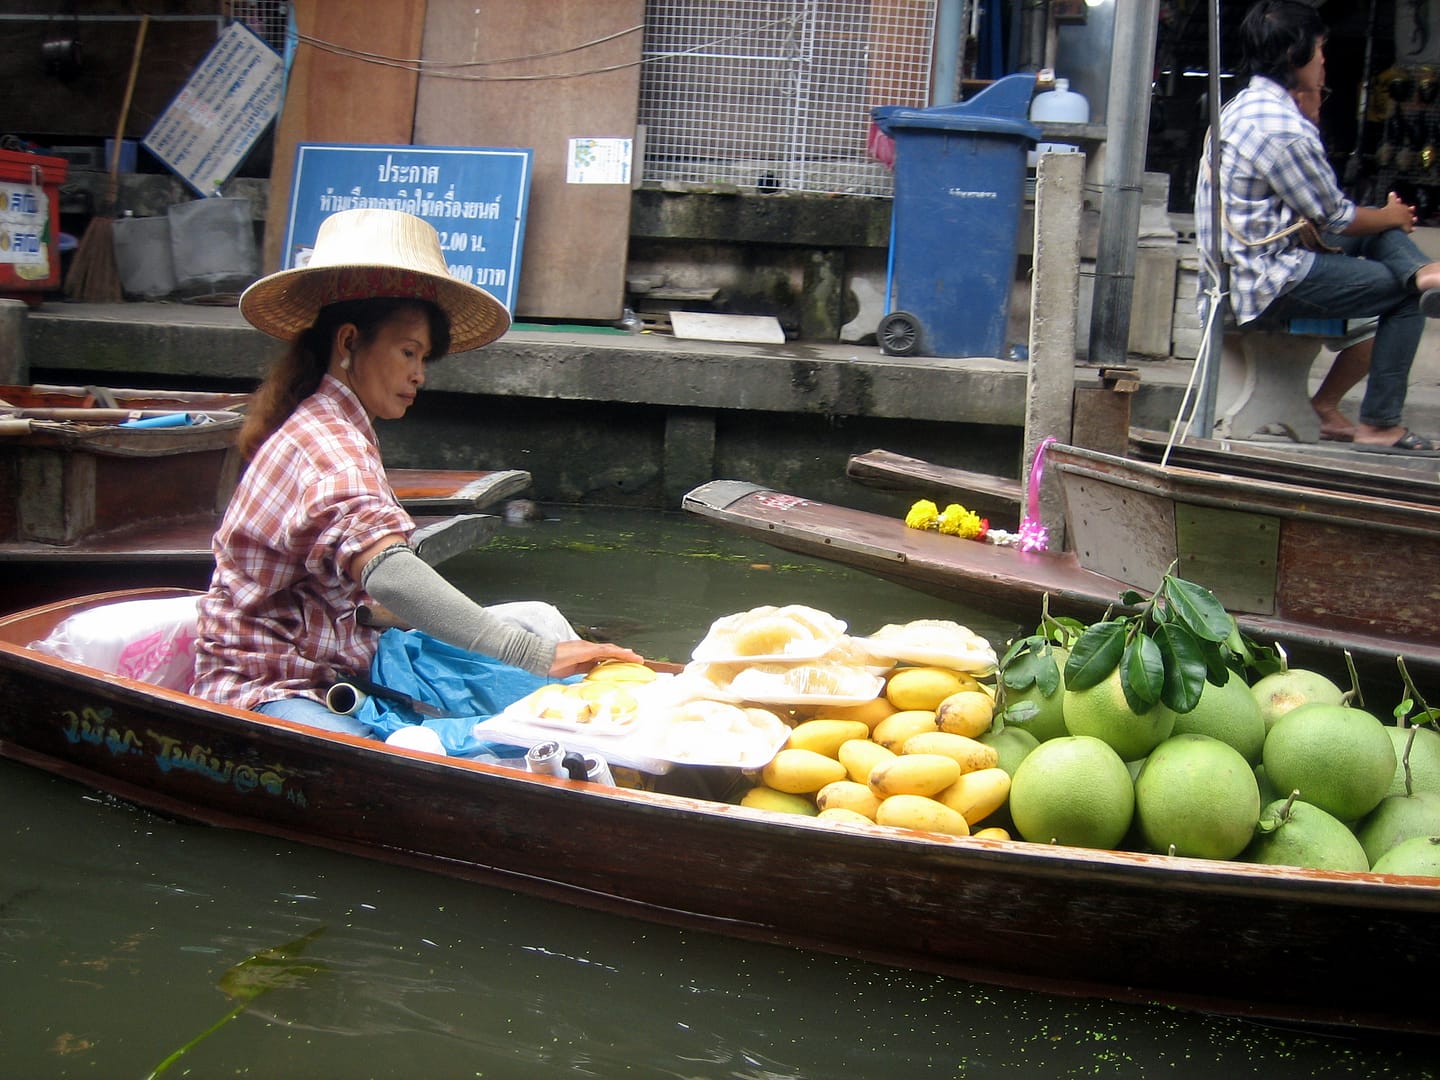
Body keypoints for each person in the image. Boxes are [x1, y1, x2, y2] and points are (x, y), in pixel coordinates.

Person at [193, 208, 642, 735]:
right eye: (408, 352)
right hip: (267, 686)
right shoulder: (325, 442)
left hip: (351, 659)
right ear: (349, 342)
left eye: (423, 357)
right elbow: (391, 573)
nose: (418, 375)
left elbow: (366, 596)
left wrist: (496, 639)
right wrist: (531, 652)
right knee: (435, 745)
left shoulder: (334, 423)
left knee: (547, 695)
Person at [1195, 0, 1440, 455]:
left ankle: (1422, 270)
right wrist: (1391, 216)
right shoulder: (1283, 128)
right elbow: (1337, 217)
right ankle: (1381, 423)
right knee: (1410, 298)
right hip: (1264, 281)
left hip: (1245, 265)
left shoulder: (1243, 105)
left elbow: (1326, 215)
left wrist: (1381, 220)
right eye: (1321, 53)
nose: (1325, 66)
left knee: (1385, 242)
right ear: (1296, 56)